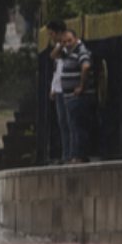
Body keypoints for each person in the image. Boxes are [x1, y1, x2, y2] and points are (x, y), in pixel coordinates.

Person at [59, 29, 95, 163]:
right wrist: (60, 46)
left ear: (76, 39)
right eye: (64, 42)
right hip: (69, 97)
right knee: (73, 126)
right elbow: (54, 55)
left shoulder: (81, 51)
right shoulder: (67, 53)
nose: (67, 44)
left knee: (77, 127)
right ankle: (75, 155)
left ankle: (78, 155)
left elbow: (86, 67)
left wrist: (81, 86)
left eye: (69, 40)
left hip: (78, 97)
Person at [46, 20, 70, 164]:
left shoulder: (68, 45)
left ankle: (69, 154)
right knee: (62, 124)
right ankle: (65, 154)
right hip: (59, 89)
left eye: (51, 34)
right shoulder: (58, 46)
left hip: (67, 89)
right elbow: (57, 68)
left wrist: (62, 43)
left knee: (69, 123)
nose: (51, 37)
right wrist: (53, 88)